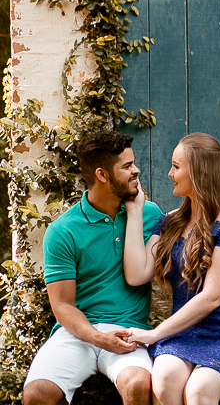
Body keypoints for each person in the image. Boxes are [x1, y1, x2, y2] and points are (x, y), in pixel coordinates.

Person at [123, 133, 220, 405]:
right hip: (183, 331)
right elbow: (137, 274)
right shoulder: (170, 221)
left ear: (199, 173)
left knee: (199, 391)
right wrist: (134, 211)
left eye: (176, 166)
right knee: (164, 379)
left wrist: (155, 334)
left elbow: (212, 297)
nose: (170, 173)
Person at [23, 129, 163, 405]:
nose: (136, 170)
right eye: (127, 166)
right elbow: (62, 305)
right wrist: (98, 338)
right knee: (36, 393)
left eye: (133, 163)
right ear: (102, 175)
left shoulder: (150, 214)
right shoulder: (63, 231)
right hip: (78, 334)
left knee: (137, 384)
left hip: (130, 330)